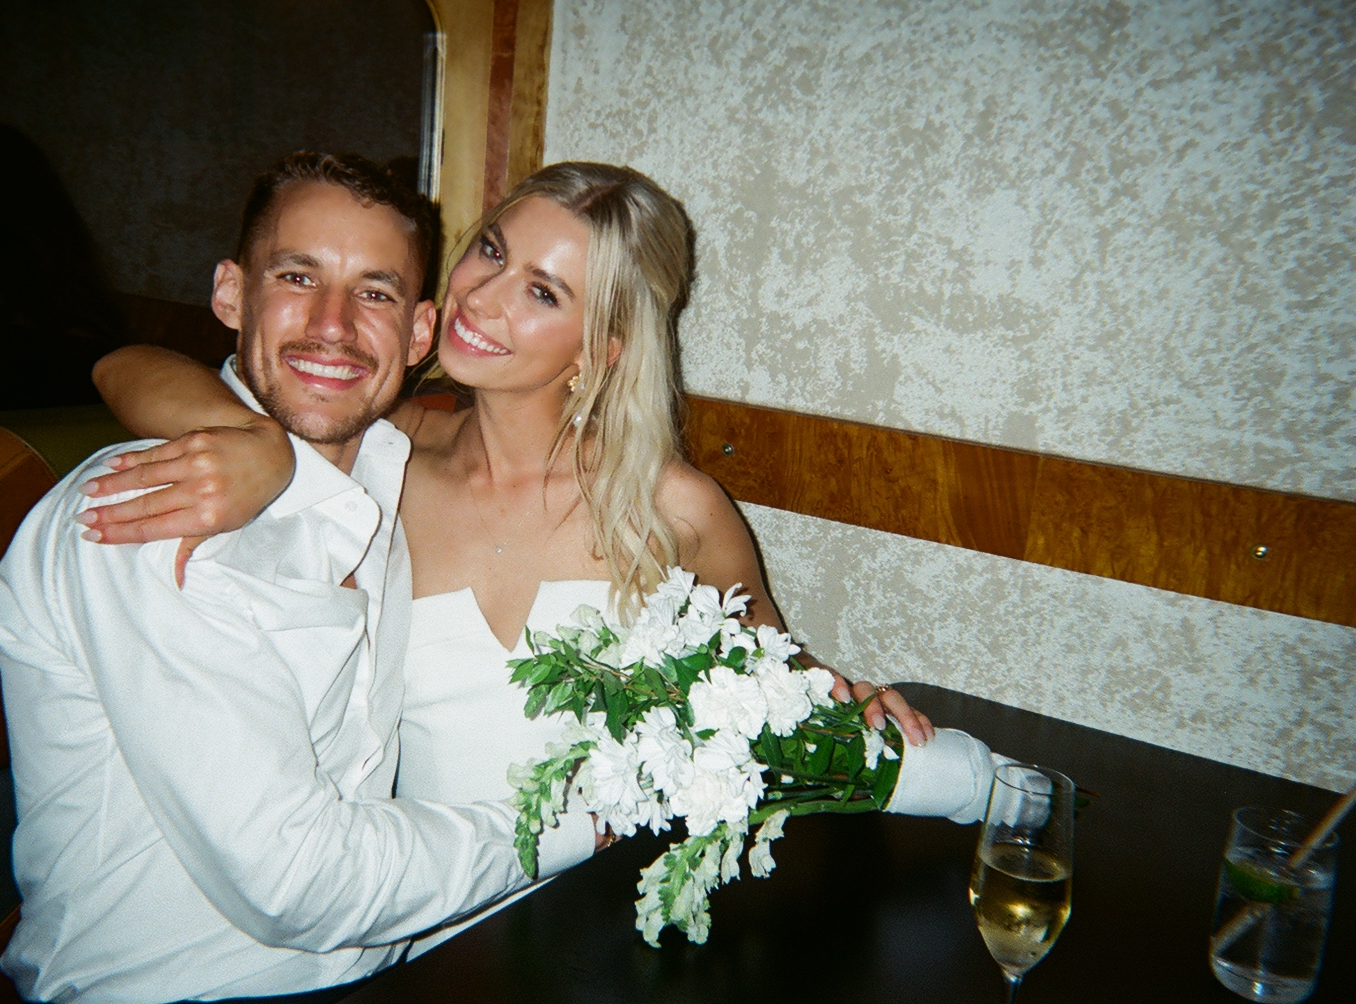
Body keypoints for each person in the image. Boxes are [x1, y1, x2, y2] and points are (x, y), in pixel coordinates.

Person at [86, 162, 944, 948]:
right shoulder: (379, 457)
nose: (482, 298)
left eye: (540, 291)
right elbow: (122, 363)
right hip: (406, 922)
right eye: (489, 252)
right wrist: (251, 440)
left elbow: (771, 683)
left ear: (603, 346)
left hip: (614, 924)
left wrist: (846, 698)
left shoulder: (669, 509)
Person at [0, 152, 599, 1004]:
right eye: (298, 276)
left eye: (375, 292)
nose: (334, 325)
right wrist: (583, 825)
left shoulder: (391, 475)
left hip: (381, 968)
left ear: (420, 334)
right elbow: (296, 885)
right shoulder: (148, 517)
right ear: (232, 294)